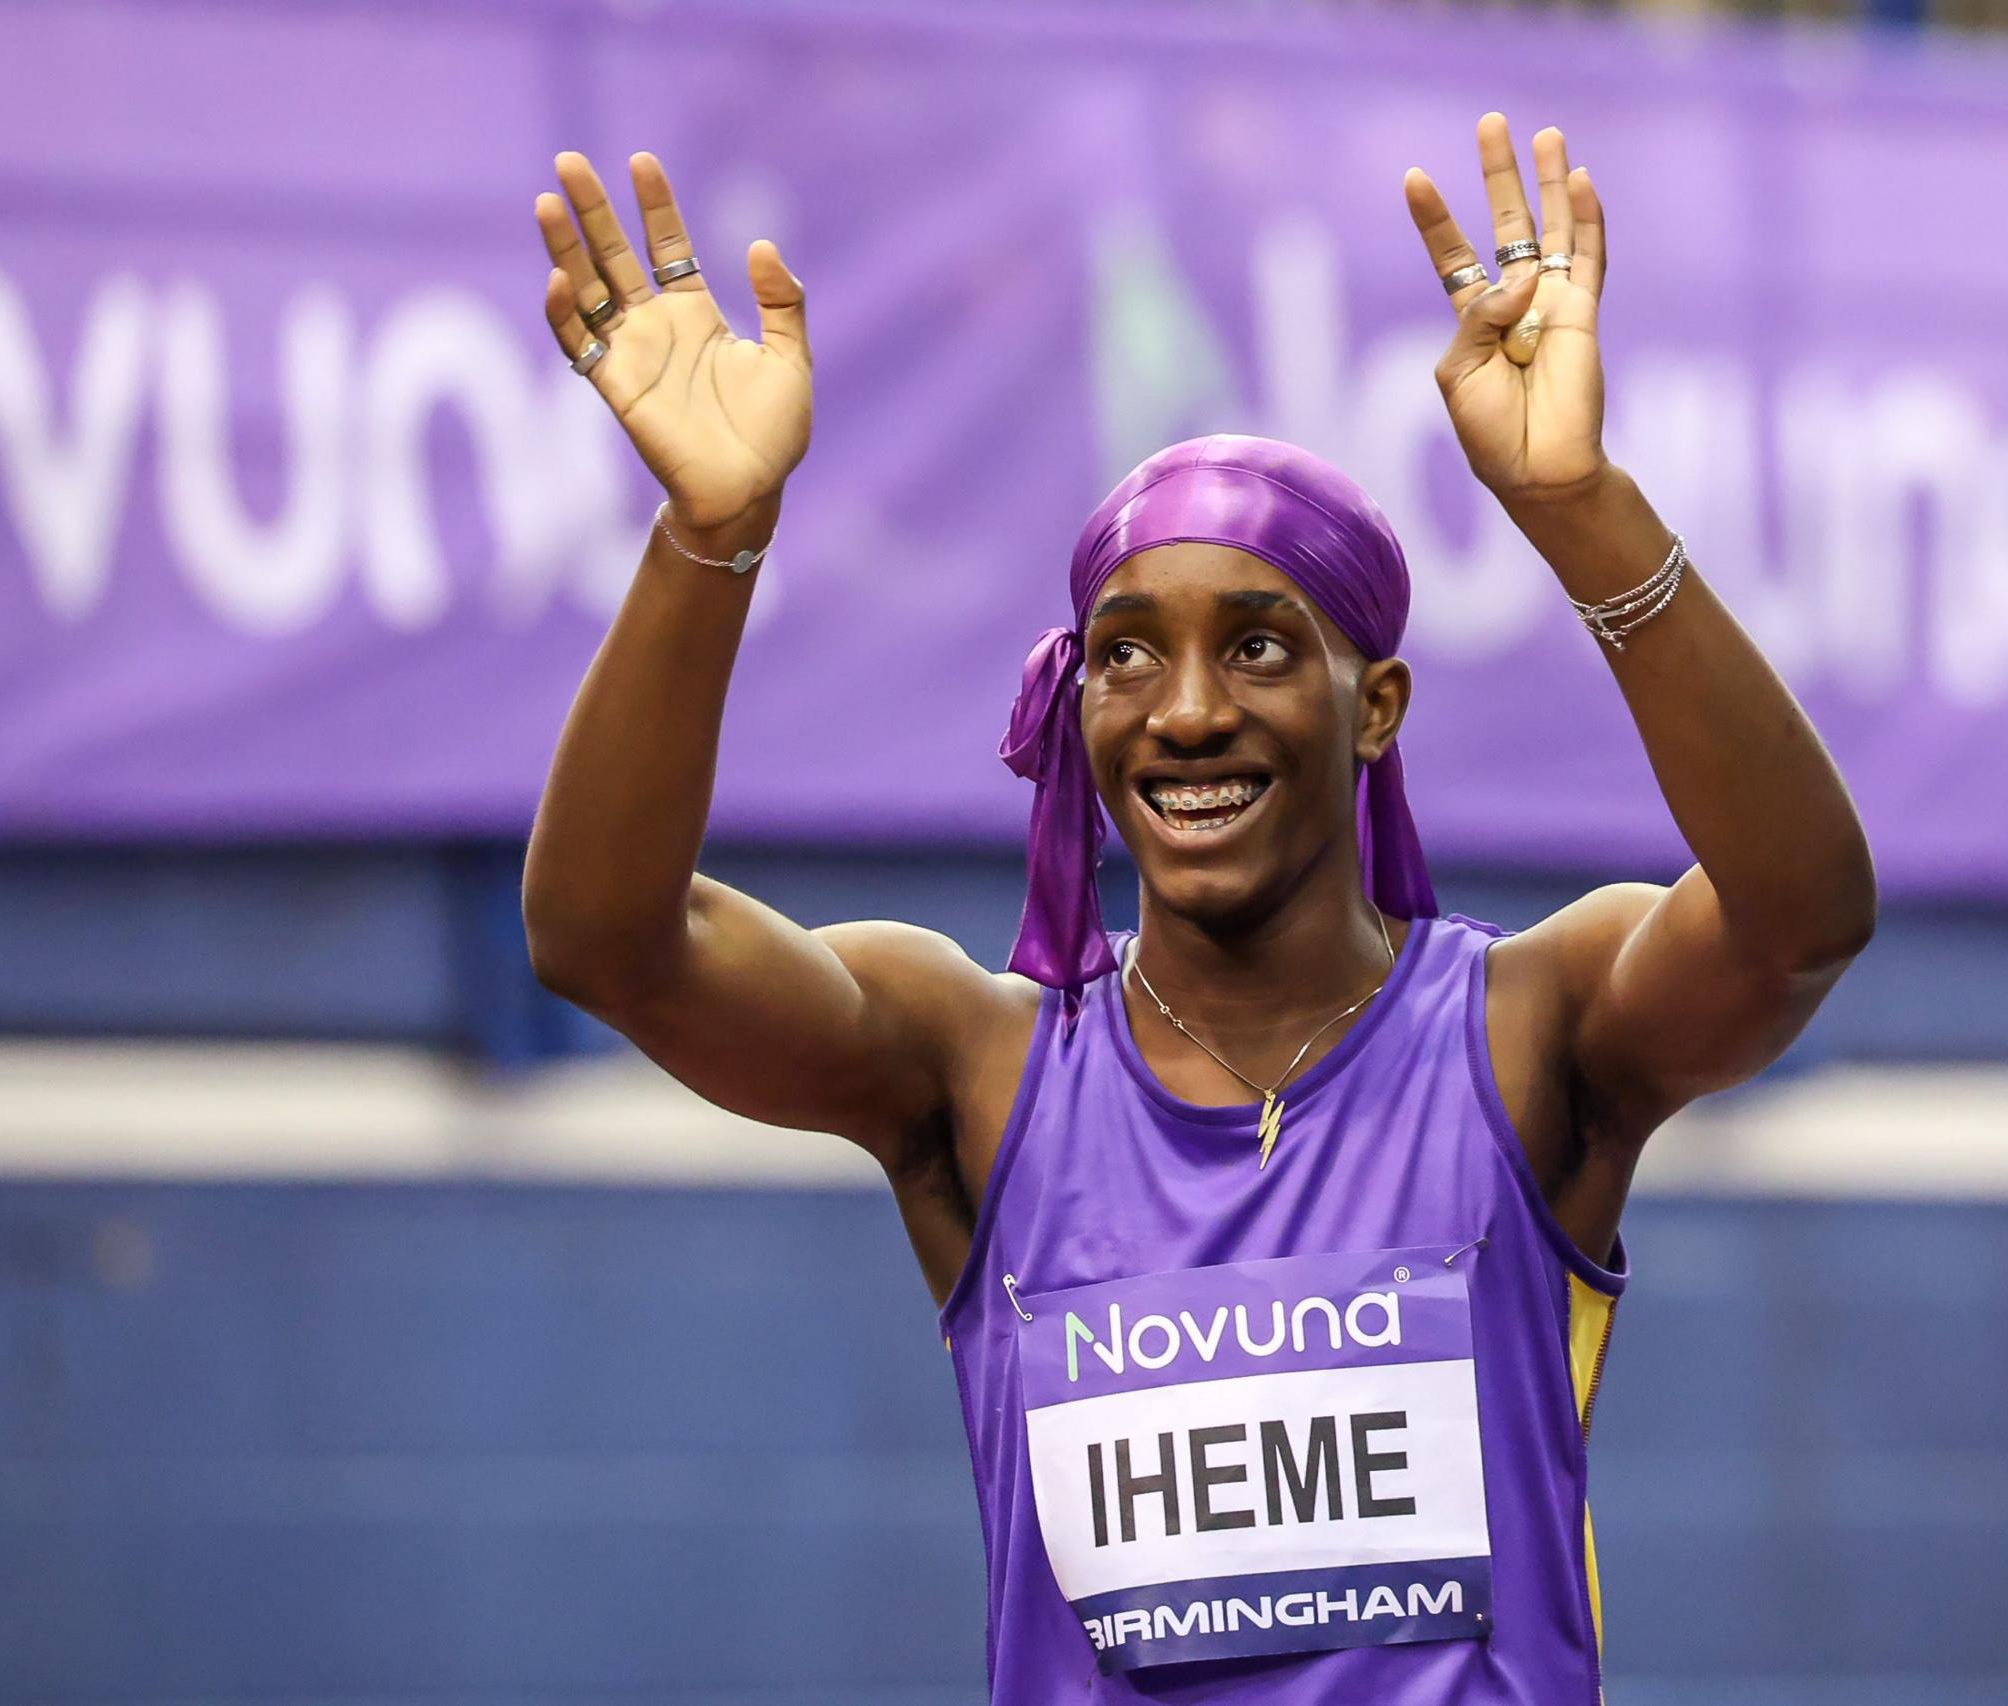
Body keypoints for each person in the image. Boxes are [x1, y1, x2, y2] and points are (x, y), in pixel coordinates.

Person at [522, 114, 1875, 1703]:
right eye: (1125, 654)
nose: (1182, 711)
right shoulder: (976, 1068)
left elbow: (1799, 917)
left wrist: (1579, 507)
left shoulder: (1528, 1031)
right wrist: (710, 537)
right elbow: (606, 942)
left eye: (1256, 646)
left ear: (1375, 708)